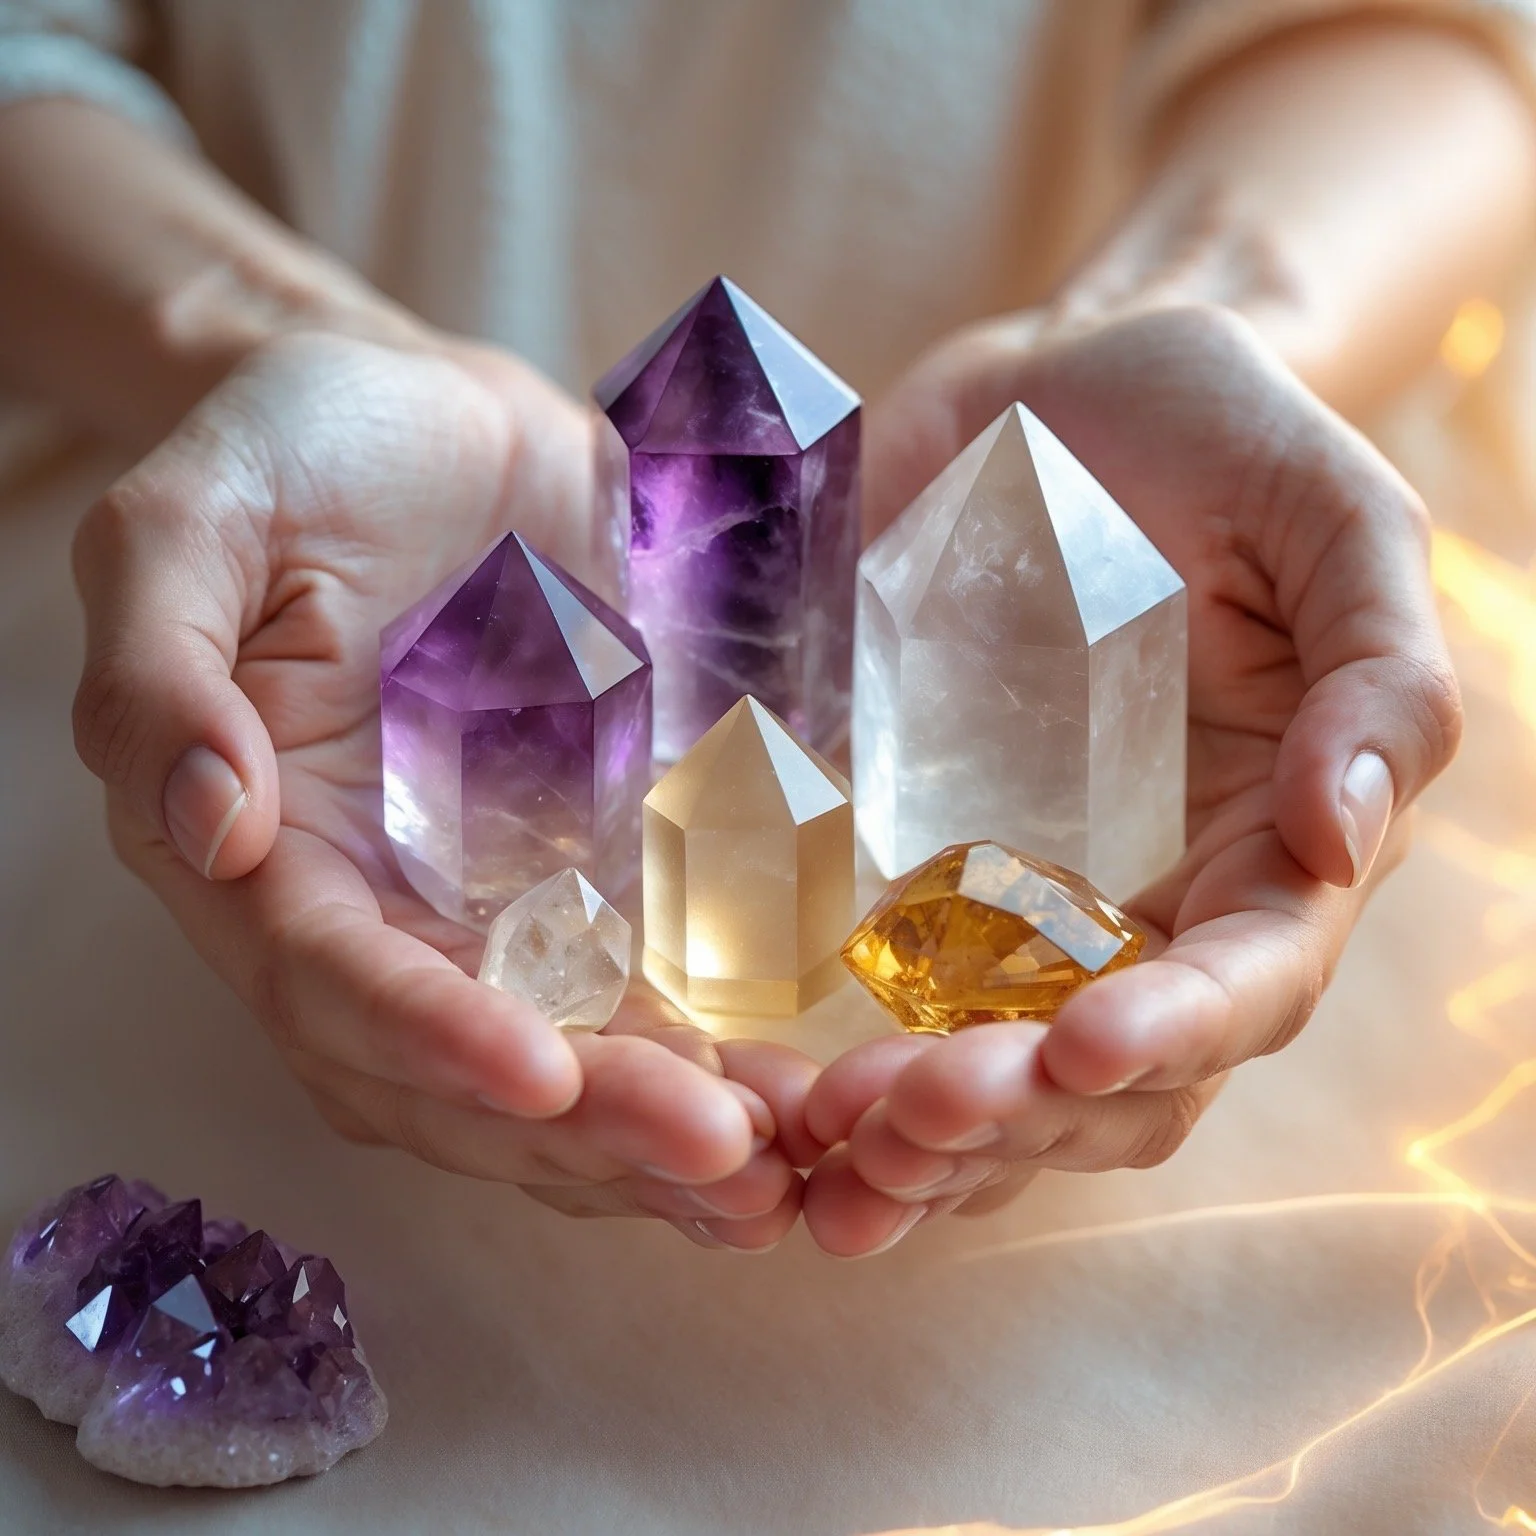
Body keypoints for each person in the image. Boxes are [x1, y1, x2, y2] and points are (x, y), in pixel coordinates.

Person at [0, 1, 1528, 1260]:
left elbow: (1427, 33)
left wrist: (1228, 312)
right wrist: (244, 344)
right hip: (185, 751)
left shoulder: (1002, 592)